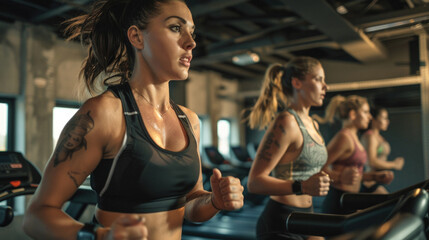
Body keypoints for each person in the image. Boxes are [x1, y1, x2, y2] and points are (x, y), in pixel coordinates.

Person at [22, 1, 244, 239]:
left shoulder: (189, 120)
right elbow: (37, 215)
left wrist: (213, 201)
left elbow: (190, 203)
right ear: (137, 37)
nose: (191, 42)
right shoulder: (104, 114)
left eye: (192, 31)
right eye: (176, 28)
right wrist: (99, 236)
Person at [245, 56, 331, 240]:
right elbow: (254, 182)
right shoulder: (287, 122)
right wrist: (303, 186)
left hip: (307, 215)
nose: (326, 86)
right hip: (280, 221)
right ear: (297, 82)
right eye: (318, 79)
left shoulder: (313, 124)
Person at [313, 95, 394, 214]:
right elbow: (318, 168)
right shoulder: (344, 137)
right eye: (366, 112)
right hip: (339, 201)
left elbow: (354, 175)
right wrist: (340, 177)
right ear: (353, 115)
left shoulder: (354, 137)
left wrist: (374, 176)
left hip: (351, 199)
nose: (370, 117)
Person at [360, 106, 404, 194]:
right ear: (374, 120)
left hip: (379, 180)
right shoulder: (370, 136)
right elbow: (371, 161)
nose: (387, 121)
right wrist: (394, 164)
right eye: (384, 118)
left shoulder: (379, 137)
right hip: (370, 182)